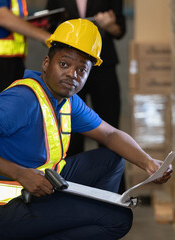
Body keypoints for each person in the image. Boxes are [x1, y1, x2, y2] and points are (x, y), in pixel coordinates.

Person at [0, 19, 172, 240]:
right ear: (46, 63)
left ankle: (78, 217)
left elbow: (109, 134)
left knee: (112, 159)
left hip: (40, 189)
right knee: (117, 219)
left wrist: (147, 162)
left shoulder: (67, 101)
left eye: (82, 70)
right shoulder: (21, 100)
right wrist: (20, 173)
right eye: (64, 64)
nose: (72, 74)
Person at [46, 0, 126, 158]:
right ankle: (70, 178)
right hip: (68, 67)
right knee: (70, 131)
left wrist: (109, 25)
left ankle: (113, 179)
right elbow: (50, 25)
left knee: (108, 123)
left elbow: (120, 30)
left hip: (103, 66)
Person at [0, 0, 51, 112]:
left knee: (13, 118)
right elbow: (4, 18)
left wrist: (34, 25)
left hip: (11, 62)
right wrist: (49, 38)